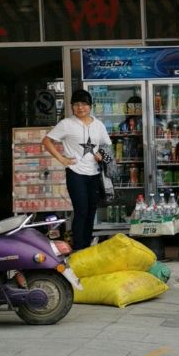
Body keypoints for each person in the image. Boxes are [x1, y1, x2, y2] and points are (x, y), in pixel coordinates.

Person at [44, 89, 113, 253]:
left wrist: (101, 155)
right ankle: (79, 249)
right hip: (76, 174)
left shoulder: (98, 125)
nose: (80, 107)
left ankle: (87, 247)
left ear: (90, 106)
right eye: (76, 104)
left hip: (95, 174)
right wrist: (62, 159)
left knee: (91, 211)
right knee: (81, 210)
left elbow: (107, 145)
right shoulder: (66, 124)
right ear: (72, 107)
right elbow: (46, 141)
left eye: (84, 104)